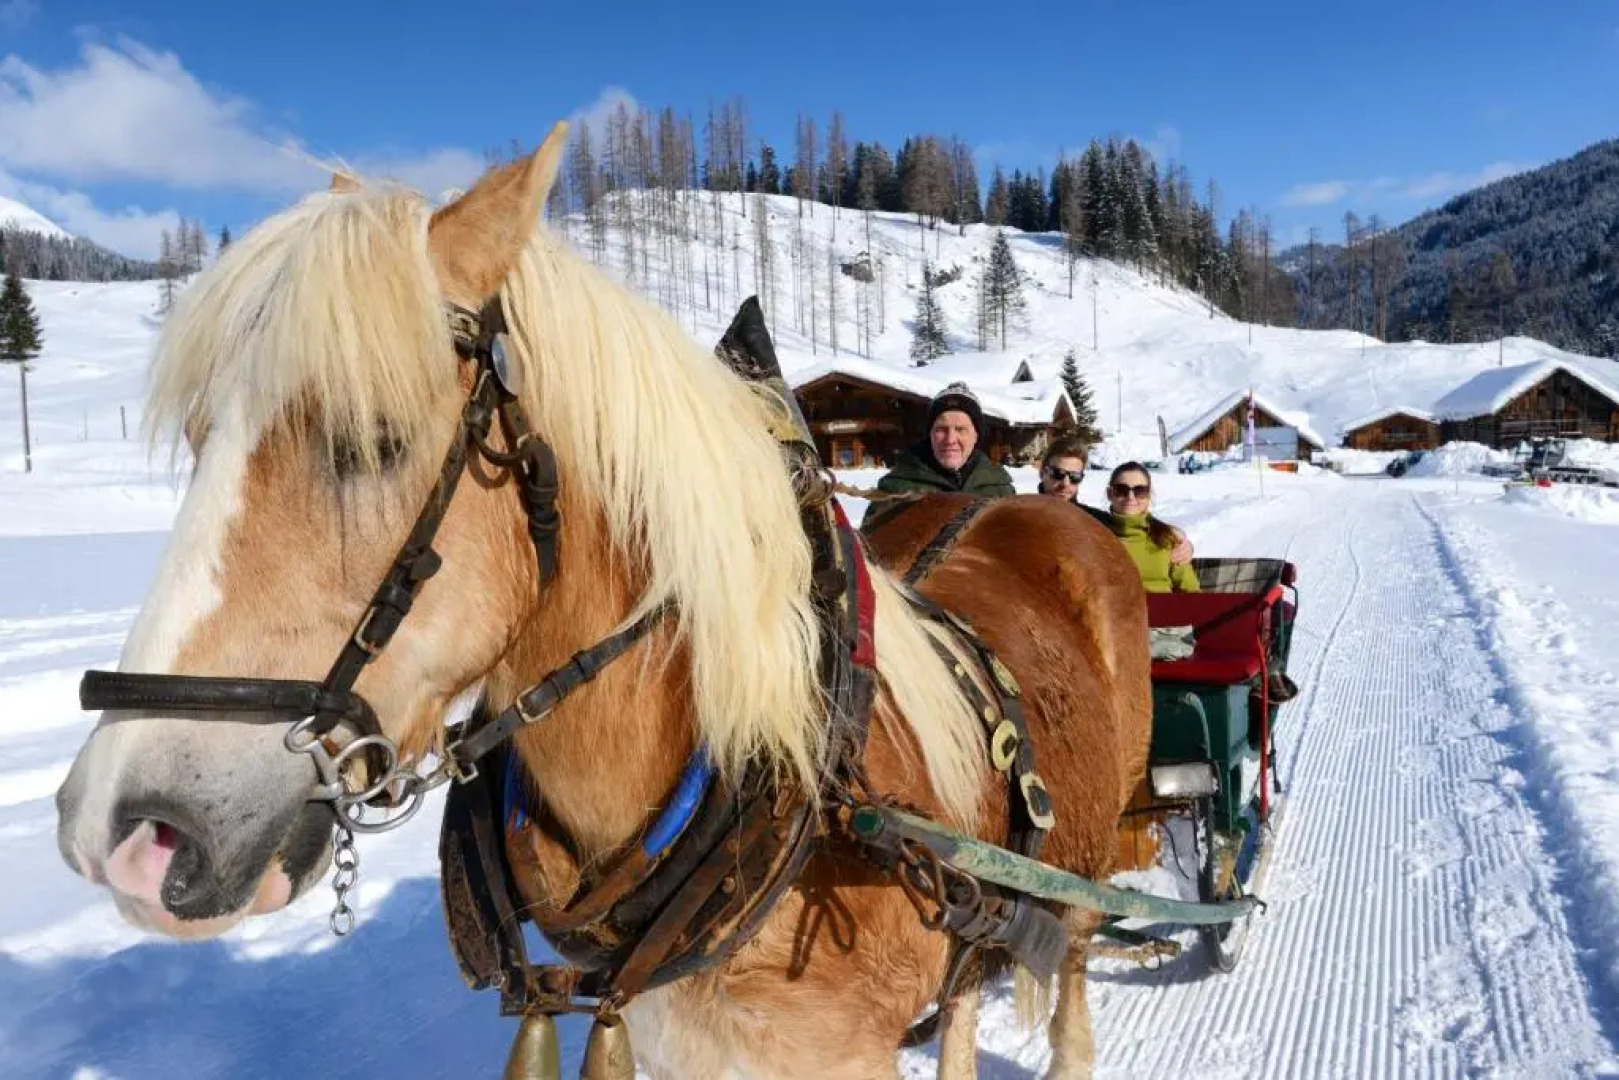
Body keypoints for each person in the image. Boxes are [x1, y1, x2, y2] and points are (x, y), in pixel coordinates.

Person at [1037, 438, 1194, 565]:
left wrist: (1180, 541)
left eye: (1074, 477)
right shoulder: (1020, 514)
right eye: (1058, 474)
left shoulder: (1092, 520)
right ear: (1043, 472)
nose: (1066, 484)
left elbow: (1130, 523)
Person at [875, 382, 1016, 497]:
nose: (950, 439)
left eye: (960, 429)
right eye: (941, 429)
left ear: (976, 436)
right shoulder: (895, 491)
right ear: (930, 434)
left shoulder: (1000, 489)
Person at [1103, 461, 1200, 593]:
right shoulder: (1093, 535)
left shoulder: (1166, 538)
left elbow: (1191, 593)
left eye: (1140, 491)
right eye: (1121, 490)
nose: (1131, 497)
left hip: (1163, 611)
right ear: (1109, 494)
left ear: (1149, 495)